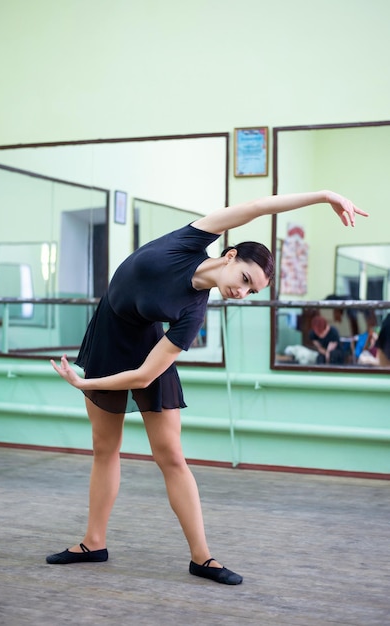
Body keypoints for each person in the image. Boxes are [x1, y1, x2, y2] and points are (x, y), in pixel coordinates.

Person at [47, 190, 367, 585]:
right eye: (245, 279)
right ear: (230, 255)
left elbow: (146, 375)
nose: (242, 292)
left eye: (252, 292)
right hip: (108, 338)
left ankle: (203, 558)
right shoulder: (191, 241)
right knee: (105, 448)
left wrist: (85, 382)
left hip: (145, 350)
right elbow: (256, 207)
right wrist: (325, 196)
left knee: (172, 456)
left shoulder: (193, 311)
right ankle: (93, 542)